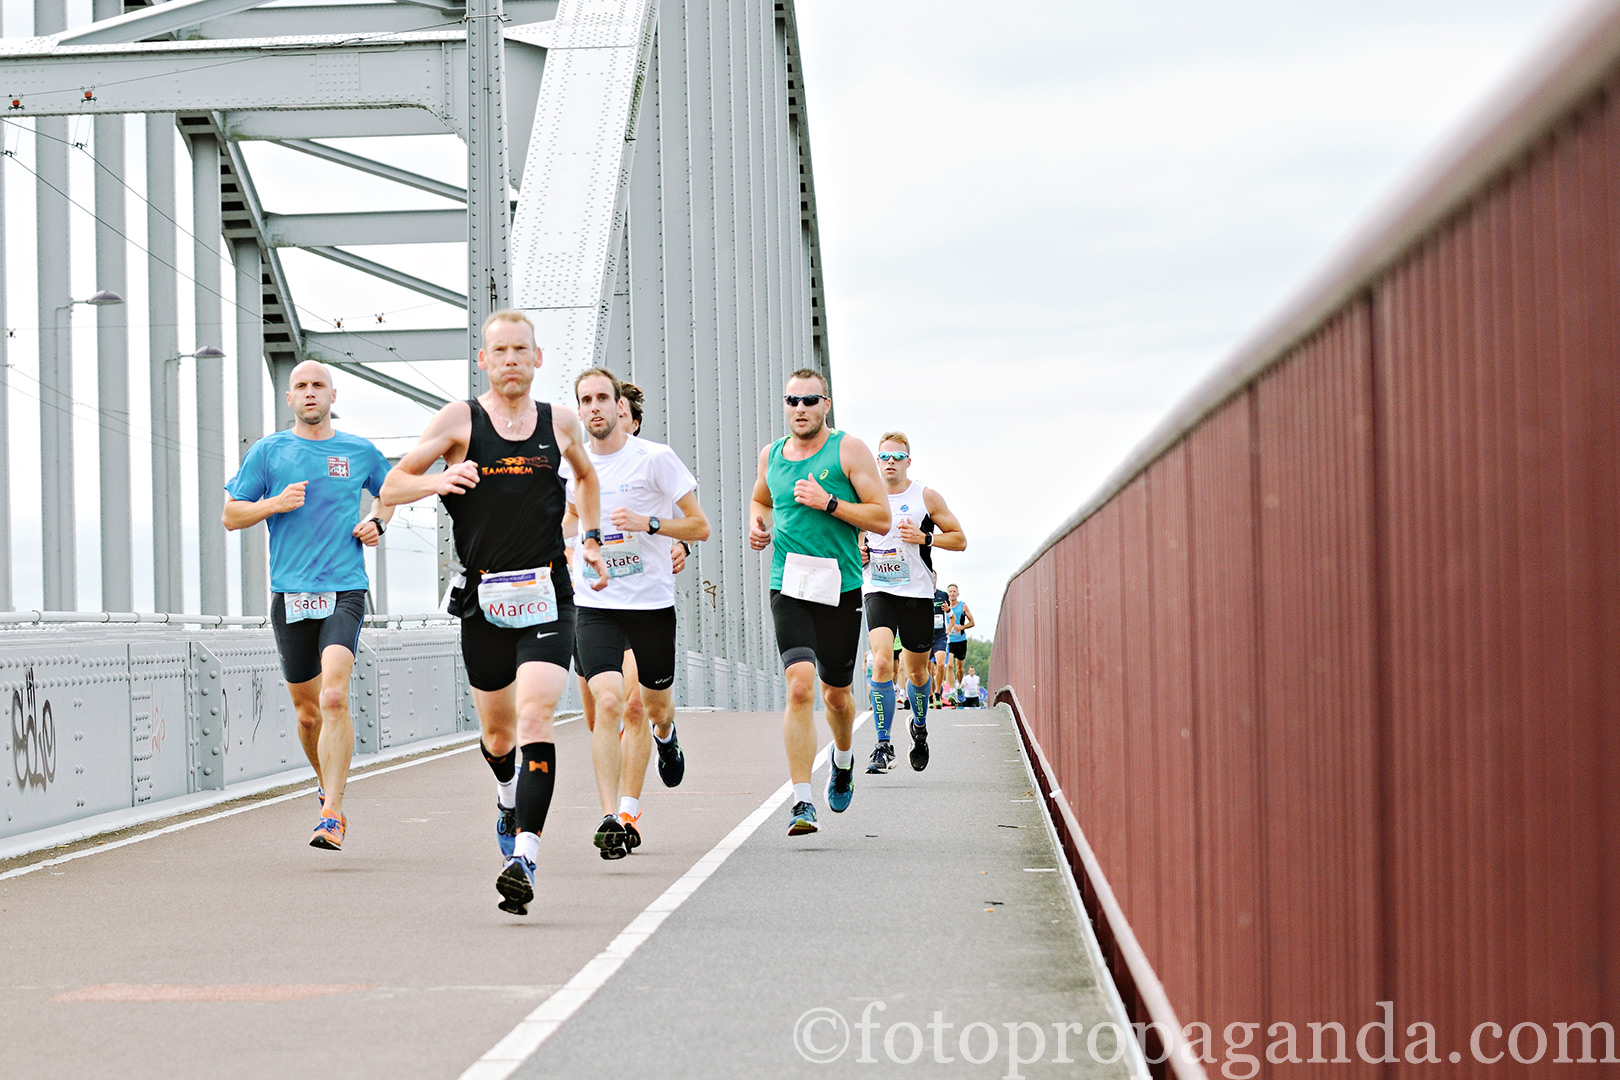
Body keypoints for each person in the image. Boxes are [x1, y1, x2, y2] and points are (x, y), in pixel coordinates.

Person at [382, 309, 609, 917]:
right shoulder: (460, 420)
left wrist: (589, 537)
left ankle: (525, 857)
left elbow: (586, 480)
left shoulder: (561, 422)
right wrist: (438, 481)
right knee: (498, 734)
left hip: (547, 592)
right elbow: (390, 486)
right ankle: (507, 795)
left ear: (537, 360)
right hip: (482, 597)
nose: (510, 360)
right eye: (498, 351)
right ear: (483, 361)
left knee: (536, 716)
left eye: (520, 351)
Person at [223, 361, 393, 851]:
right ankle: (326, 787)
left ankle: (332, 813)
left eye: (319, 385)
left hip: (344, 589)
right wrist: (273, 504)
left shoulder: (358, 450)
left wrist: (377, 523)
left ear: (333, 394)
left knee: (334, 696)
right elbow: (232, 515)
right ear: (290, 398)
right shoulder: (270, 451)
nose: (310, 392)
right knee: (307, 714)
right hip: (290, 595)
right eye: (301, 386)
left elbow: (390, 494)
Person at [565, 368, 709, 859]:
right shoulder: (572, 466)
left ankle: (666, 736)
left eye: (604, 398)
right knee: (609, 706)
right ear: (580, 409)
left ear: (619, 406)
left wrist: (652, 525)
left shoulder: (655, 459)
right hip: (596, 606)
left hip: (650, 606)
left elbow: (700, 526)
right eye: (586, 400)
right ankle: (618, 814)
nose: (596, 407)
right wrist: (571, 552)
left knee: (650, 709)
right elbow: (562, 525)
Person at [749, 369, 889, 835]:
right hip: (789, 583)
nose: (800, 408)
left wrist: (830, 503)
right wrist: (759, 526)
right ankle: (801, 801)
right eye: (792, 400)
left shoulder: (848, 449)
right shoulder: (771, 454)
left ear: (825, 404)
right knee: (800, 687)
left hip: (841, 586)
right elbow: (761, 500)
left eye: (810, 400)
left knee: (836, 694)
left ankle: (843, 760)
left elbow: (882, 518)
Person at [858, 432, 965, 774]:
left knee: (918, 672)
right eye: (884, 457)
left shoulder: (925, 496)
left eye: (897, 457)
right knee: (881, 662)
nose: (890, 463)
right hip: (879, 590)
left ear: (908, 461)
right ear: (877, 461)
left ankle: (919, 727)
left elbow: (959, 539)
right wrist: (857, 552)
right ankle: (882, 744)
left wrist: (926, 537)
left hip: (917, 594)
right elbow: (850, 541)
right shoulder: (863, 498)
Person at [946, 583, 975, 685]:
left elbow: (972, 623)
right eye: (950, 591)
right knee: (949, 665)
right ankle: (951, 689)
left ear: (958, 593)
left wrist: (961, 627)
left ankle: (959, 684)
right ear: (947, 593)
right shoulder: (944, 606)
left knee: (959, 668)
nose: (952, 593)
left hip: (961, 640)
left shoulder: (962, 606)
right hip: (949, 640)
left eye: (954, 591)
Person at [930, 576, 950, 709]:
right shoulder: (920, 594)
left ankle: (938, 692)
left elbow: (950, 614)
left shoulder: (943, 595)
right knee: (928, 670)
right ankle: (931, 694)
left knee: (941, 664)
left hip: (940, 635)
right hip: (925, 635)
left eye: (934, 575)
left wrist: (948, 610)